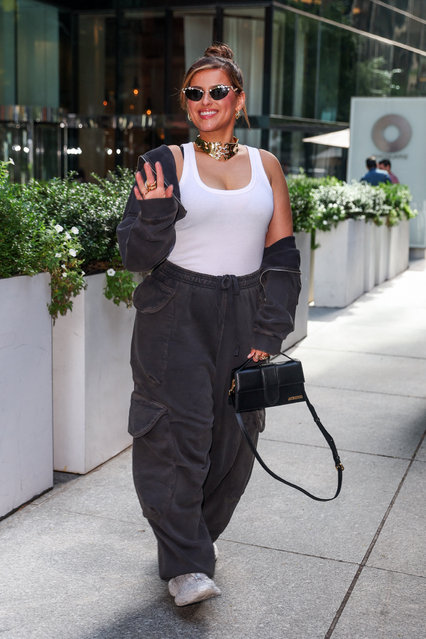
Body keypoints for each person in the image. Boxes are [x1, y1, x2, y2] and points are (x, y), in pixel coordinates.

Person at [117, 43, 301, 607]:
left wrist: (270, 331)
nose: (205, 101)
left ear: (239, 99)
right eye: (194, 93)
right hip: (176, 308)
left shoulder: (266, 165)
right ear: (185, 103)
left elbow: (283, 258)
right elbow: (133, 255)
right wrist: (151, 217)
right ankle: (187, 563)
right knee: (173, 435)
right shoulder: (164, 161)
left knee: (237, 439)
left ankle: (193, 543)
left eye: (217, 91)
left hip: (244, 308)